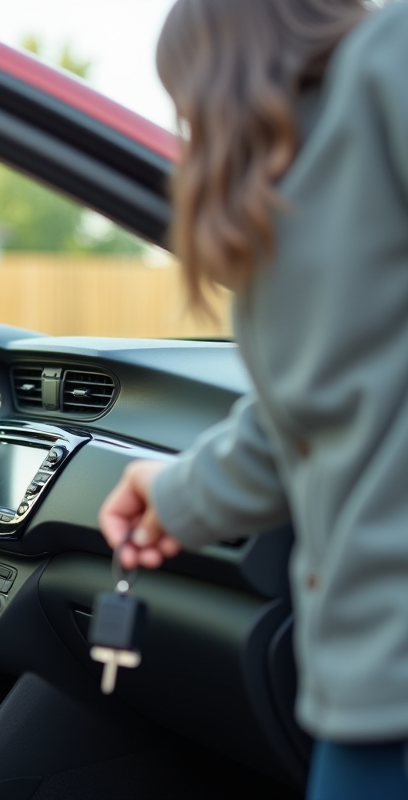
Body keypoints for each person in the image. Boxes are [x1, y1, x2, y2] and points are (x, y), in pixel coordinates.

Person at [97, 0, 408, 797]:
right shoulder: (292, 200)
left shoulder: (390, 61)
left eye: (188, 109)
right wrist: (169, 494)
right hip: (369, 691)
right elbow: (298, 423)